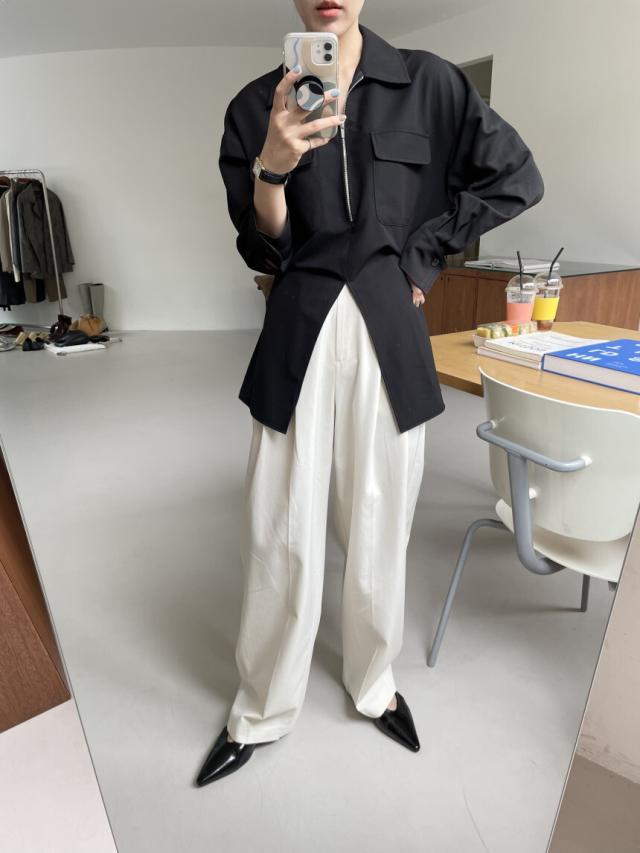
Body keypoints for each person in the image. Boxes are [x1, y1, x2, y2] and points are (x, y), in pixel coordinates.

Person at [196, 0, 544, 786]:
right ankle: (262, 705)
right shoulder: (256, 105)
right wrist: (273, 165)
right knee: (278, 523)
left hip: (390, 323)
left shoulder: (431, 84)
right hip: (299, 321)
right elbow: (262, 244)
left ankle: (374, 681)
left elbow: (516, 176)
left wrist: (424, 255)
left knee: (382, 519)